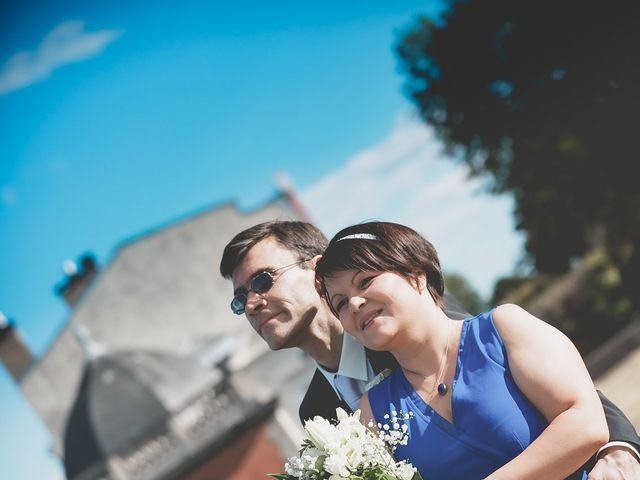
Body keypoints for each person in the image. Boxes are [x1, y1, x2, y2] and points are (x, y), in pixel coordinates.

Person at [220, 220, 640, 479]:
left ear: (317, 268)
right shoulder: (312, 415)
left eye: (262, 281)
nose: (252, 304)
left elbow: (549, 385)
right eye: (240, 300)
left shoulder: (418, 319)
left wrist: (617, 448)